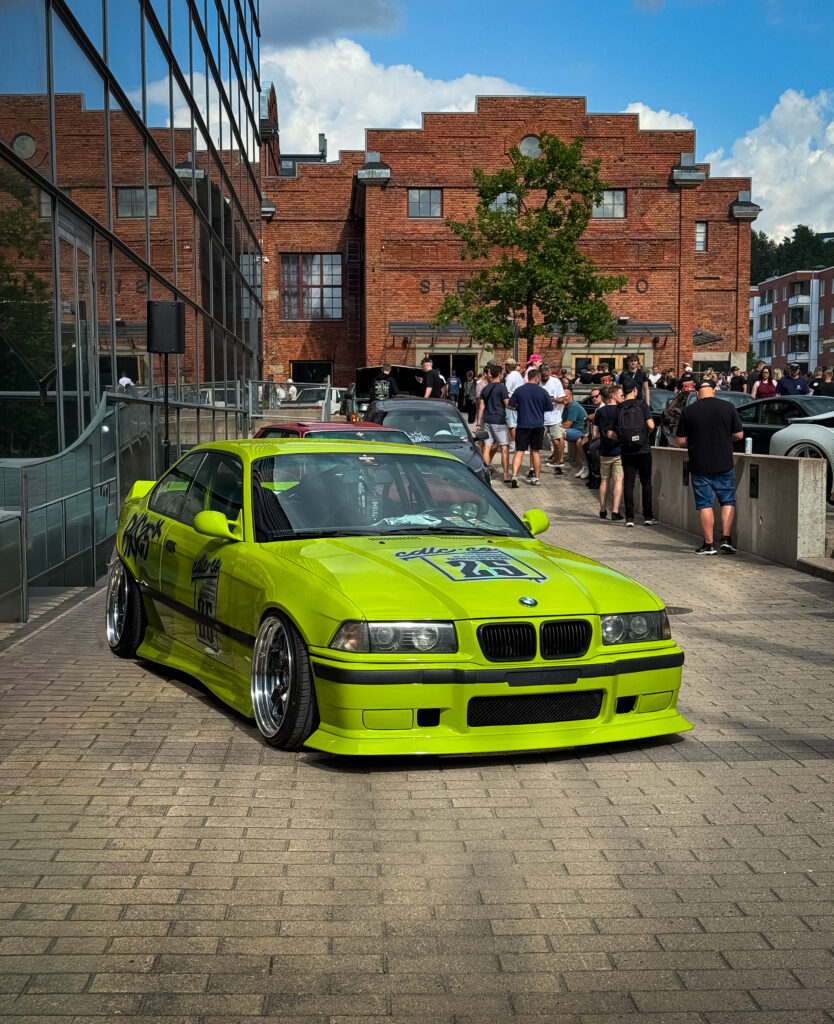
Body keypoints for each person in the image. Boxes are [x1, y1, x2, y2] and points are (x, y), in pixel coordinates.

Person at [676, 377, 743, 555]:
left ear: (697, 393)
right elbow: (739, 435)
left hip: (700, 464)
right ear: (714, 390)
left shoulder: (688, 411)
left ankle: (709, 544)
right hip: (724, 463)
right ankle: (726, 539)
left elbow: (680, 441)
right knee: (727, 501)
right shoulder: (728, 407)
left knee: (705, 504)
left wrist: (694, 440)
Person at [612, 378, 658, 527]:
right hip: (643, 448)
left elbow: (611, 433)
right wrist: (644, 434)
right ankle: (647, 516)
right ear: (635, 390)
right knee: (646, 482)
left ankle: (629, 518)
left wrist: (623, 438)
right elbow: (651, 425)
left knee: (629, 482)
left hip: (627, 450)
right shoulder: (642, 405)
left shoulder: (619, 408)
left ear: (623, 392)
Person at [507, 366, 552, 487]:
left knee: (519, 451)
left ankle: (514, 475)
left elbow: (510, 405)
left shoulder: (519, 390)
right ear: (537, 378)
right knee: (535, 451)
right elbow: (549, 407)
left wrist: (519, 408)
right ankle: (536, 478)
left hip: (523, 424)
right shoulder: (543, 392)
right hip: (537, 425)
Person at [475, 365, 511, 483]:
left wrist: (478, 423)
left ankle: (485, 474)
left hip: (487, 420)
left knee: (487, 446)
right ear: (500, 374)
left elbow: (481, 407)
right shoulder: (502, 388)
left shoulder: (485, 388)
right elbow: (507, 404)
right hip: (499, 420)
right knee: (504, 447)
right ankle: (506, 474)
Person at [593, 384, 625, 521]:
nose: (623, 397)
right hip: (619, 450)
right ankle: (615, 511)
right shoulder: (621, 410)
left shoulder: (600, 412)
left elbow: (595, 434)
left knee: (604, 480)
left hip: (604, 450)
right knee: (618, 481)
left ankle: (602, 509)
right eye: (621, 395)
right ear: (613, 396)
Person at [538, 364, 567, 475]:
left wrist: (553, 400)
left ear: (549, 372)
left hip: (554, 416)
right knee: (536, 443)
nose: (544, 378)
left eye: (546, 375)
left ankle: (558, 463)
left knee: (557, 441)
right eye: (542, 376)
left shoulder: (556, 382)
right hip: (540, 417)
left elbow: (563, 399)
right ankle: (533, 467)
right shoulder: (538, 382)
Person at [562, 396, 588, 477]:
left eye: (566, 396)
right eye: (562, 396)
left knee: (559, 433)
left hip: (581, 432)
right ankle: (584, 466)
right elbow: (563, 421)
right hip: (576, 431)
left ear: (571, 396)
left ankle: (559, 460)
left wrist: (556, 426)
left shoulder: (573, 406)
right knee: (555, 431)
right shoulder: (567, 406)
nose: (564, 398)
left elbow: (567, 425)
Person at [503, 359, 524, 444]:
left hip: (511, 401)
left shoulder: (510, 376)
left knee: (511, 425)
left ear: (507, 366)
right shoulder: (518, 375)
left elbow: (506, 390)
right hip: (519, 401)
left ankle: (514, 443)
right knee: (517, 423)